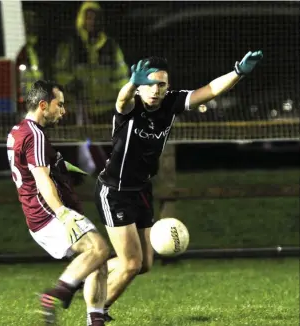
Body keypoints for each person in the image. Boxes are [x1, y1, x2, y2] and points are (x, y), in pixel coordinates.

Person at [94, 51, 263, 320]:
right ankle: (96, 314)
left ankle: (91, 272)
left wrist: (238, 73)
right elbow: (122, 99)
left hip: (141, 190)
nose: (155, 89)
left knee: (144, 264)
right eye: (149, 83)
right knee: (131, 264)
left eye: (161, 83)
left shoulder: (171, 103)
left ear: (167, 86)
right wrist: (130, 84)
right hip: (114, 191)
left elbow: (209, 91)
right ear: (140, 86)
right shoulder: (131, 106)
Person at [6, 80, 110, 326]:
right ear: (43, 105)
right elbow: (40, 178)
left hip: (38, 214)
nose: (63, 111)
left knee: (97, 264)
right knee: (98, 249)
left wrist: (63, 169)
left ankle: (96, 321)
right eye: (59, 105)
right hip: (48, 212)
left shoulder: (18, 130)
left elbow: (33, 169)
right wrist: (63, 213)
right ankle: (54, 295)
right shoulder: (35, 134)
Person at [55, 1, 128, 176]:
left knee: (110, 147)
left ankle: (112, 178)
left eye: (95, 18)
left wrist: (124, 98)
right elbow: (60, 72)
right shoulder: (71, 46)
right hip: (79, 108)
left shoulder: (110, 46)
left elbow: (121, 74)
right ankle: (77, 181)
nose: (91, 21)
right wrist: (72, 84)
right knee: (76, 148)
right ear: (81, 19)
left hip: (106, 108)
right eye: (88, 17)